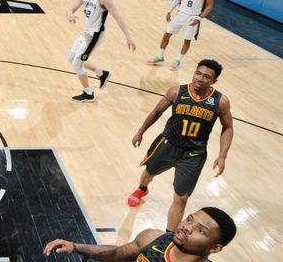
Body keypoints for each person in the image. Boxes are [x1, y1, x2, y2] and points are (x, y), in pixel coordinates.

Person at [127, 59, 233, 232]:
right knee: (147, 174)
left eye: (207, 77)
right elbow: (156, 112)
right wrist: (141, 131)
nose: (200, 78)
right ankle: (142, 189)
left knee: (181, 198)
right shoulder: (177, 92)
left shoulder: (220, 102)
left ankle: (168, 236)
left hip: (193, 153)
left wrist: (222, 155)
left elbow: (227, 127)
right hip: (168, 144)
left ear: (214, 81)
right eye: (198, 73)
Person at [43, 207, 236, 261]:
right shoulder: (153, 237)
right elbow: (117, 253)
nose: (187, 227)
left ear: (215, 248)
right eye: (190, 219)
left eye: (201, 231)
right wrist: (76, 247)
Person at [66, 0, 136, 102]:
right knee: (71, 58)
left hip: (95, 35)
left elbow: (117, 17)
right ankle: (102, 74)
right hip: (86, 33)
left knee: (77, 63)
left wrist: (128, 36)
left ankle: (88, 94)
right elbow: (71, 8)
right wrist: (70, 14)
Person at [147, 0, 214, 71]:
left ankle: (177, 61)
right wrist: (169, 11)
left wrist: (199, 18)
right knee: (166, 35)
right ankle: (159, 57)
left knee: (187, 40)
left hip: (193, 17)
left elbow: (209, 5)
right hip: (180, 14)